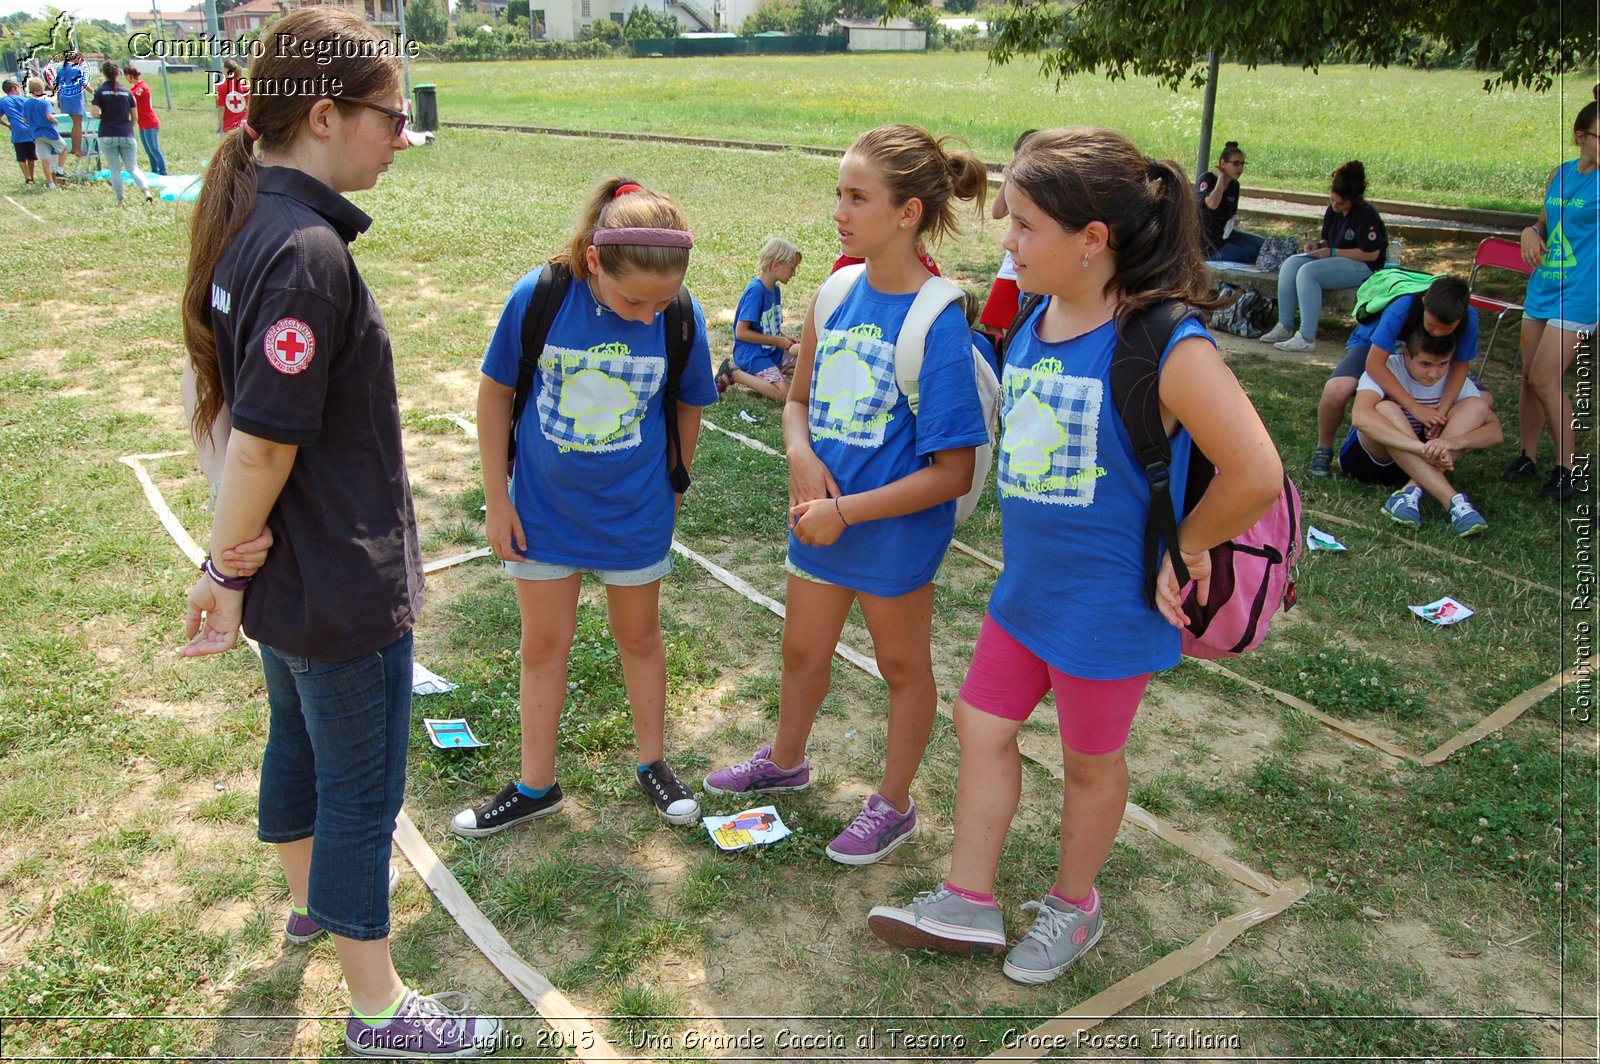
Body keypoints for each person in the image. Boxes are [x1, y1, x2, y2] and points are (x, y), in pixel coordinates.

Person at [866, 127, 1281, 982]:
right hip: (1028, 592)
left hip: (1110, 604)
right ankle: (969, 898)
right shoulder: (1034, 314)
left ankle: (1074, 907)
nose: (1006, 242)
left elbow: (1256, 472)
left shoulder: (1167, 342)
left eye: (1023, 225)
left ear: (1093, 240)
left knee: (1091, 765)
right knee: (981, 724)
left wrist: (1187, 546)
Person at [178, 9, 502, 1056]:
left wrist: (229, 562)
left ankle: (312, 903)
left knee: (300, 746)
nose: (402, 136)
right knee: (363, 789)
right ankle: (378, 1007)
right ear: (324, 115)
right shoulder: (306, 250)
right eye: (390, 115)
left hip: (299, 579)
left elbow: (236, 416)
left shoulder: (257, 225)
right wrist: (225, 566)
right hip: (333, 582)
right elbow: (262, 442)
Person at [702, 124, 991, 867]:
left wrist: (846, 512)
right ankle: (787, 759)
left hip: (889, 534)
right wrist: (799, 456)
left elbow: (953, 472)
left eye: (858, 197)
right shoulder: (832, 292)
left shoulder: (938, 318)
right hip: (818, 519)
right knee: (801, 652)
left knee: (903, 670)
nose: (839, 211)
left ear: (909, 213)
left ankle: (893, 805)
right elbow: (796, 402)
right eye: (839, 194)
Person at [453, 177, 718, 839]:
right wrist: (496, 501)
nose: (647, 317)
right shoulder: (539, 296)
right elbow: (493, 396)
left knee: (640, 638)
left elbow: (690, 400)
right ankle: (535, 785)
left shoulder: (678, 313)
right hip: (542, 513)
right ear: (596, 262)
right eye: (635, 301)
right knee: (543, 646)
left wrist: (675, 483)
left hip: (635, 514)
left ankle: (654, 763)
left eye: (661, 305)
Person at [1503, 84, 1600, 502]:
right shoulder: (1559, 174)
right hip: (1544, 284)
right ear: (1581, 135)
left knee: (1546, 378)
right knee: (1528, 380)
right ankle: (1527, 455)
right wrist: (1529, 231)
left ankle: (1569, 468)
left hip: (1582, 292)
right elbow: (1541, 223)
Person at [1309, 276, 1480, 477]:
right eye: (1432, 325)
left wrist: (1441, 412)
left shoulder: (1469, 317)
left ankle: (1428, 451)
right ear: (1424, 303)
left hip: (1425, 354)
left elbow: (1460, 367)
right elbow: (1374, 364)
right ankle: (1323, 448)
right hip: (1373, 345)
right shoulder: (1402, 308)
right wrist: (1414, 408)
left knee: (1481, 400)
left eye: (1447, 329)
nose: (1438, 333)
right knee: (1336, 389)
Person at [1340, 330, 1501, 536]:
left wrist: (1451, 443)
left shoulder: (1454, 378)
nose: (1434, 373)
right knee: (1385, 408)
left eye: (1442, 364)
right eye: (1426, 364)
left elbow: (1496, 431)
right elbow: (1360, 418)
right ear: (1407, 355)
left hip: (1420, 464)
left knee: (1476, 406)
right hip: (1371, 461)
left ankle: (1409, 492)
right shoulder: (1388, 367)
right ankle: (1452, 500)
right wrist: (1422, 448)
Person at [1261, 161, 1387, 351]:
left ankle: (1307, 337)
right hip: (1336, 260)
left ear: (1353, 200)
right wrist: (1318, 246)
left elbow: (1371, 253)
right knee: (1291, 264)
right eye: (1332, 200)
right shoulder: (1333, 211)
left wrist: (1333, 253)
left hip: (1364, 266)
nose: (1335, 205)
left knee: (1308, 272)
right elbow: (1328, 240)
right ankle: (1284, 325)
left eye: (1340, 203)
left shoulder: (1366, 215)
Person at [717, 236, 802, 401]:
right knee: (784, 393)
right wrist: (776, 341)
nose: (794, 274)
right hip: (752, 353)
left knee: (807, 365)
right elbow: (741, 333)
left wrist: (783, 337)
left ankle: (770, 372)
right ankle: (734, 373)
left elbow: (766, 326)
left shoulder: (775, 290)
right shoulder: (756, 292)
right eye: (792, 268)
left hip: (770, 350)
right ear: (776, 265)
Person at [976, 129, 1038, 342]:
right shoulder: (1015, 182)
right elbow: (997, 212)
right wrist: (1009, 176)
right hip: (1011, 263)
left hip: (1031, 257)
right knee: (992, 318)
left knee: (1028, 318)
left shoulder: (1042, 184)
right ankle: (1000, 359)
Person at [91, 62, 153, 206]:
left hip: (107, 133)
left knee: (115, 169)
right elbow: (135, 116)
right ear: (118, 74)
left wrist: (106, 117)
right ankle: (146, 192)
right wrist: (128, 128)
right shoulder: (127, 92)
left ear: (104, 74)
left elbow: (94, 114)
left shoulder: (100, 92)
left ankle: (121, 199)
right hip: (126, 133)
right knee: (133, 167)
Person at [1196, 141, 1265, 264]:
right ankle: (1226, 281)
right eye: (1236, 163)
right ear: (1223, 163)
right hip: (1207, 243)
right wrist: (1221, 179)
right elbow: (1212, 204)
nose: (1240, 168)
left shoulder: (1234, 185)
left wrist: (1233, 220)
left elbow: (1231, 213)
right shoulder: (1207, 178)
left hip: (1224, 235)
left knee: (1263, 245)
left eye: (1242, 163)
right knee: (1252, 255)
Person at [22, 77, 65, 189]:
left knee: (45, 160)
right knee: (64, 149)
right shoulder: (45, 102)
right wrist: (55, 121)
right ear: (42, 89)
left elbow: (25, 121)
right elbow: (48, 116)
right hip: (49, 132)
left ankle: (51, 184)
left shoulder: (26, 104)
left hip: (36, 134)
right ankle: (60, 170)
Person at [124, 63, 166, 176]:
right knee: (148, 151)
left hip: (150, 123)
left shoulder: (142, 88)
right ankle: (154, 171)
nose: (126, 79)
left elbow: (130, 96)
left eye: (126, 76)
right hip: (142, 124)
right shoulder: (134, 88)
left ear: (130, 75)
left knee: (154, 149)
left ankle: (163, 172)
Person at [0, 79, 36, 186]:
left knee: (21, 157)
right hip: (30, 130)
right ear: (14, 88)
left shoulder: (3, 102)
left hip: (17, 132)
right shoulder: (25, 100)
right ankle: (32, 176)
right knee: (32, 156)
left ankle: (27, 178)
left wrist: (7, 125)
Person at [54, 50, 86, 159]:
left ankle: (73, 148)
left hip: (64, 98)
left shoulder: (61, 70)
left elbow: (57, 87)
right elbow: (84, 84)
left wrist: (59, 100)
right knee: (78, 124)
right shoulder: (77, 69)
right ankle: (77, 149)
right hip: (75, 99)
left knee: (72, 124)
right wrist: (95, 93)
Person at [216, 58, 248, 136]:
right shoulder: (245, 85)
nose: (222, 71)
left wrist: (220, 125)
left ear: (227, 70)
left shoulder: (222, 87)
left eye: (223, 69)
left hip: (228, 126)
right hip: (243, 126)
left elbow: (221, 108)